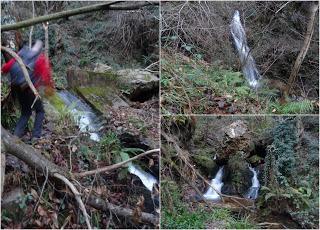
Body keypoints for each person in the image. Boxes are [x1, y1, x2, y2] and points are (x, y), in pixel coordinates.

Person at [1, 40, 54, 141]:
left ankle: (15, 135)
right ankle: (35, 137)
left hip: (17, 87)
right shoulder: (40, 58)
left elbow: (7, 67)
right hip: (30, 88)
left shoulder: (22, 54)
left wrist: (3, 71)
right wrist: (50, 91)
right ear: (40, 49)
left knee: (26, 112)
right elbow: (46, 76)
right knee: (40, 111)